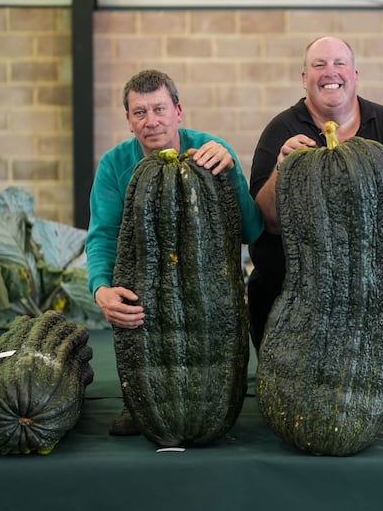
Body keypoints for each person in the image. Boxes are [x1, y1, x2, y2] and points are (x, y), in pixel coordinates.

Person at [247, 36, 383, 424]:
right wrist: (281, 168)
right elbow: (266, 219)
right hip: (307, 244)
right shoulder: (283, 129)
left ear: (354, 75)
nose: (331, 73)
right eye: (320, 65)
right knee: (265, 279)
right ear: (304, 78)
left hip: (381, 242)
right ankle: (284, 377)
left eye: (339, 64)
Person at [85, 69, 264, 435]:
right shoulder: (114, 165)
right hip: (145, 281)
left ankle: (211, 409)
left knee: (211, 344)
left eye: (159, 109)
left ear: (178, 111)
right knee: (138, 324)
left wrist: (229, 172)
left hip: (209, 282)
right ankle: (144, 405)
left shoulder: (211, 152)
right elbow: (102, 235)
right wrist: (100, 288)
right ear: (129, 121)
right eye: (140, 112)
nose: (151, 121)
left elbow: (252, 229)